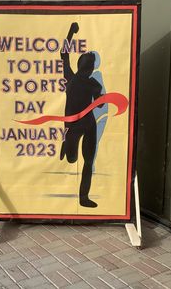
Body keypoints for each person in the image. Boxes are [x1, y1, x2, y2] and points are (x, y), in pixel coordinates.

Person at [60, 22, 103, 208]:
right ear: (84, 66)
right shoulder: (70, 76)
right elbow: (64, 53)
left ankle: (83, 198)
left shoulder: (94, 83)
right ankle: (66, 146)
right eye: (89, 64)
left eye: (90, 64)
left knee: (88, 161)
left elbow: (98, 103)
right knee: (72, 159)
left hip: (89, 125)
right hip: (72, 126)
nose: (90, 67)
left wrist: (101, 98)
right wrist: (70, 31)